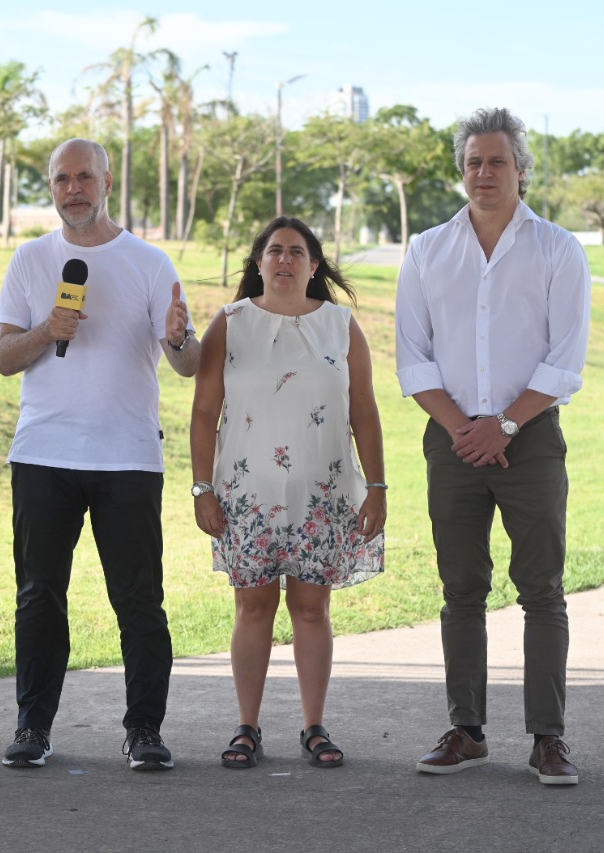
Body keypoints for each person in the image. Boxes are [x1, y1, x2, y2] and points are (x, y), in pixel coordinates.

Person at [396, 107, 592, 785]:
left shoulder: (558, 249)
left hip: (529, 439)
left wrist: (503, 424)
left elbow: (565, 358)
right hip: (451, 439)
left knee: (541, 588)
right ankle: (467, 729)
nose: (484, 173)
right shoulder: (426, 250)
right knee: (461, 589)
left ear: (522, 170)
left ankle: (548, 737)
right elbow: (413, 358)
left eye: (497, 161)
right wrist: (463, 428)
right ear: (463, 169)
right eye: (474, 162)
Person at [0, 138, 200, 771]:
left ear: (107, 182)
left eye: (85, 176)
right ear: (51, 187)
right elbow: (4, 358)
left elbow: (188, 364)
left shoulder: (148, 261)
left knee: (139, 599)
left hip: (127, 457)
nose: (73, 188)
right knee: (39, 595)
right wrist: (44, 332)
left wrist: (179, 337)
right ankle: (33, 727)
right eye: (62, 179)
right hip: (44, 454)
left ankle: (144, 731)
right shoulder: (30, 261)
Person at [190, 217, 386, 770]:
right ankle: (246, 727)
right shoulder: (229, 323)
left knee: (311, 607)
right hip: (244, 494)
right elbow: (205, 413)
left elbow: (364, 411)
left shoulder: (342, 326)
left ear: (313, 265)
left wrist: (377, 487)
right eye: (273, 250)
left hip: (322, 494)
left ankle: (314, 726)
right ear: (258, 262)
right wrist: (202, 488)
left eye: (296, 252)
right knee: (253, 607)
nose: (283, 260)